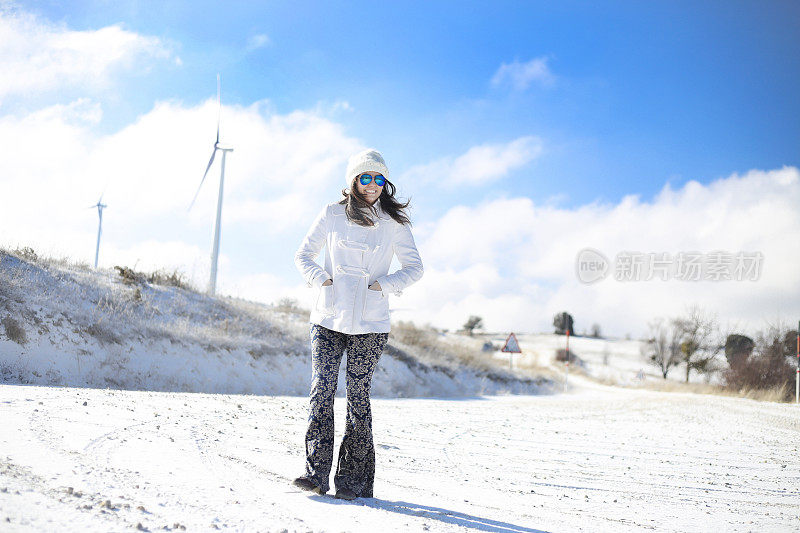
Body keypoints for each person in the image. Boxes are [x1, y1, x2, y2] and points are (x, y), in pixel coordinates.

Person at [292, 148, 424, 500]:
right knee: (321, 389)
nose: (373, 185)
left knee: (357, 396)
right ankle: (314, 473)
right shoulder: (331, 215)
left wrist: (383, 286)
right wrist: (321, 279)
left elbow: (415, 268)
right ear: (353, 180)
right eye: (366, 178)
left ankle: (352, 481)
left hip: (371, 322)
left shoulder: (394, 224)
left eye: (379, 179)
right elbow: (303, 254)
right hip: (328, 317)